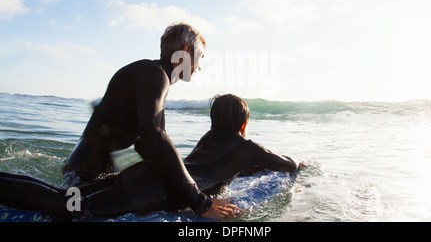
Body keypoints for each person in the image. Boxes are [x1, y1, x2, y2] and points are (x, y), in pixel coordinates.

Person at [0, 94, 304, 220]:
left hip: (149, 174)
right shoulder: (248, 146)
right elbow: (286, 164)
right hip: (157, 189)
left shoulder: (208, 139)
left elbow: (208, 168)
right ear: (244, 125)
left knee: (67, 195)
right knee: (74, 209)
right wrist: (299, 164)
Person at [61, 22, 238, 219]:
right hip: (85, 173)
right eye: (200, 57)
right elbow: (154, 137)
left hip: (87, 170)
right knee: (69, 213)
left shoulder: (151, 74)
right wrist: (199, 201)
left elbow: (147, 146)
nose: (199, 67)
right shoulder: (154, 74)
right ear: (186, 50)